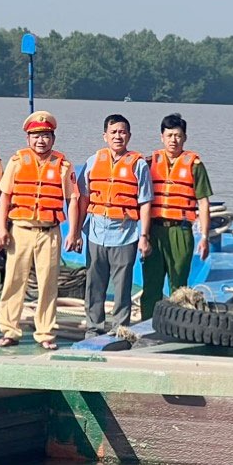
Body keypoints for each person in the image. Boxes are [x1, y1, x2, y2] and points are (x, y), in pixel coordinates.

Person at [0, 111, 80, 350]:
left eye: (45, 136)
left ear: (52, 138)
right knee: (14, 281)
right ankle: (10, 329)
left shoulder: (63, 165)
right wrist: (2, 228)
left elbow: (73, 198)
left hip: (49, 231)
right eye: (35, 136)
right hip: (20, 229)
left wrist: (73, 231)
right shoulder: (17, 161)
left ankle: (45, 332)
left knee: (48, 283)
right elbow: (6, 195)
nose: (40, 141)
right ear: (28, 139)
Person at [76, 114, 151, 336]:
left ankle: (120, 329)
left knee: (122, 286)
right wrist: (77, 231)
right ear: (105, 136)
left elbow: (145, 201)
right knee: (94, 284)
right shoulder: (93, 161)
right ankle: (94, 327)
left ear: (129, 135)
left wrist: (144, 236)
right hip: (96, 232)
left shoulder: (138, 165)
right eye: (113, 132)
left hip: (125, 233)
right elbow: (83, 198)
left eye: (122, 132)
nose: (118, 136)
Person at [141, 113, 213, 319]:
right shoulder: (149, 162)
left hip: (180, 229)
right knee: (151, 282)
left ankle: (175, 322)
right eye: (170, 135)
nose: (174, 140)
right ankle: (147, 323)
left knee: (179, 282)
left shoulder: (194, 165)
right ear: (162, 137)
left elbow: (203, 202)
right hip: (154, 229)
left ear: (185, 138)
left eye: (178, 135)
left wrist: (205, 237)